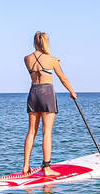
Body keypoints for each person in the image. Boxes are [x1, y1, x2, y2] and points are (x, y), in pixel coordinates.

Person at [23, 31, 76, 176]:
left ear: (35, 42)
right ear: (46, 42)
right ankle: (46, 167)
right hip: (46, 94)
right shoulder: (52, 60)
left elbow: (37, 65)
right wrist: (72, 92)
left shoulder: (26, 59)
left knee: (31, 131)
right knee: (46, 132)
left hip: (33, 93)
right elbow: (63, 78)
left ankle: (26, 166)